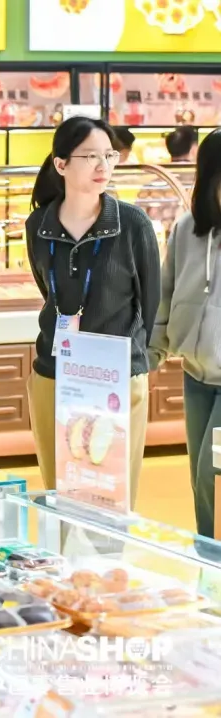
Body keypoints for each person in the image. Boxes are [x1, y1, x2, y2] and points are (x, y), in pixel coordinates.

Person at [26, 117, 160, 504]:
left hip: (116, 376)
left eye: (109, 155)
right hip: (55, 373)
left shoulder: (132, 224)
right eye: (90, 156)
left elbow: (150, 303)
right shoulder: (38, 225)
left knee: (111, 498)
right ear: (61, 164)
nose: (103, 166)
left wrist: (140, 360)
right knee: (61, 492)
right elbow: (49, 291)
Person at [151, 128, 221, 536]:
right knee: (200, 478)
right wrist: (152, 353)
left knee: (212, 474)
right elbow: (166, 294)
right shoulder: (187, 229)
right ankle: (207, 558)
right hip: (195, 375)